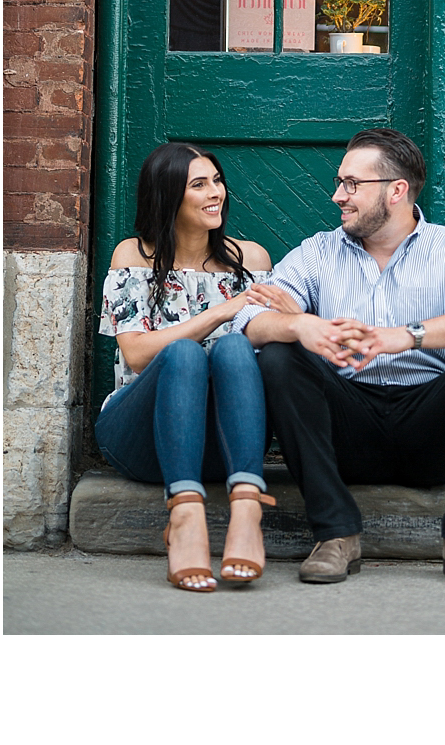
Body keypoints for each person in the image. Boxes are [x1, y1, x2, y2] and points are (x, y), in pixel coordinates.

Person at [234, 127, 445, 588]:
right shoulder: (318, 253)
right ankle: (335, 534)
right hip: (346, 428)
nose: (337, 196)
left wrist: (403, 337)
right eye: (339, 182)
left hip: (433, 433)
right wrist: (301, 325)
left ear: (396, 190)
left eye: (351, 184)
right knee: (278, 356)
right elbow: (248, 317)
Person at [95, 143, 297, 592]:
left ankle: (247, 509)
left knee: (235, 352)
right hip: (142, 436)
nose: (216, 193)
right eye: (199, 184)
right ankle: (185, 516)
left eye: (218, 181)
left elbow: (267, 342)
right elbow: (137, 355)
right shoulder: (134, 256)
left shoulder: (252, 260)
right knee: (184, 354)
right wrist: (221, 312)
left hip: (225, 443)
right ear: (168, 195)